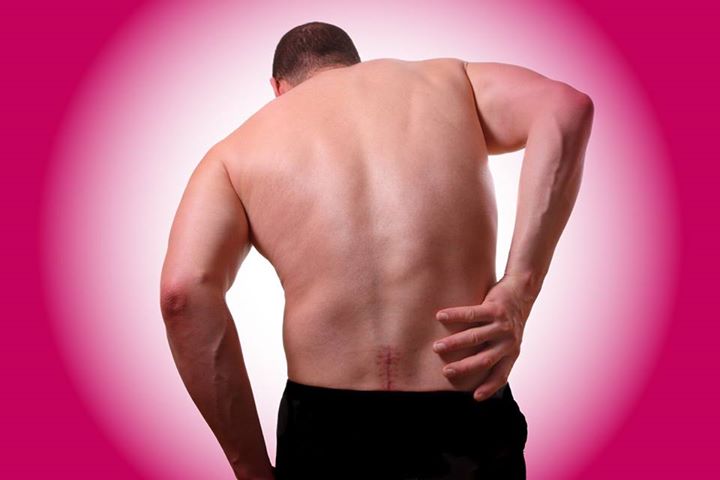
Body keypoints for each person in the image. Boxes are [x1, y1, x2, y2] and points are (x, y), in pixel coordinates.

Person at [159, 20, 593, 480]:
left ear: (277, 88)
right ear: (353, 63)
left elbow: (182, 295)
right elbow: (566, 107)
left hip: (326, 429)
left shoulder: (233, 153)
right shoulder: (452, 82)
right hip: (464, 406)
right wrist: (520, 287)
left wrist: (250, 467)